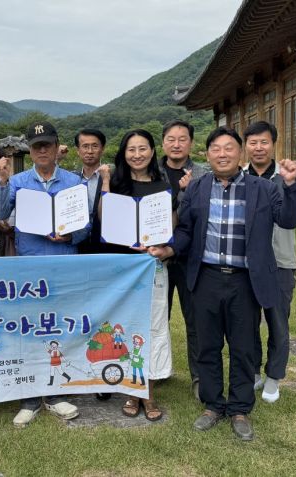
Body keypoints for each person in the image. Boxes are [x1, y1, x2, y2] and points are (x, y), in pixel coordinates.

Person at [160, 127, 296, 441]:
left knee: (242, 347)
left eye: (229, 148)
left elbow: (289, 220)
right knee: (208, 345)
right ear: (207, 154)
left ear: (241, 154)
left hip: (244, 280)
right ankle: (212, 404)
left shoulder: (262, 188)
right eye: (216, 148)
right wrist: (170, 248)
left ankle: (239, 408)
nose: (222, 154)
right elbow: (185, 230)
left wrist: (291, 186)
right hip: (206, 278)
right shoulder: (197, 188)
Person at [0, 120, 87, 427]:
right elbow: (0, 215)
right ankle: (30, 397)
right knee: (31, 329)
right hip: (30, 264)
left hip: (64, 262)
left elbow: (86, 227)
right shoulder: (19, 181)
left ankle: (58, 392)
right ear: (30, 151)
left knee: (59, 329)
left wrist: (70, 236)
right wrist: (3, 182)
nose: (42, 150)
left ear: (56, 147)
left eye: (47, 144)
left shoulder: (74, 181)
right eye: (36, 146)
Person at [98, 129, 174, 422]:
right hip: (124, 268)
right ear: (124, 154)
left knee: (153, 329)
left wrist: (164, 248)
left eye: (143, 148)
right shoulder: (116, 184)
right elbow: (104, 219)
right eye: (131, 149)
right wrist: (106, 181)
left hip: (152, 265)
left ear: (153, 152)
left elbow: (173, 226)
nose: (137, 154)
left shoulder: (162, 186)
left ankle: (148, 392)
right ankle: (132, 390)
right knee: (125, 328)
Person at [244, 121, 296, 404]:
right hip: (245, 262)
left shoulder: (288, 175)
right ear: (245, 146)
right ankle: (253, 372)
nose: (258, 148)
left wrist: (291, 187)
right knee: (246, 322)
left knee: (278, 322)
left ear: (273, 144)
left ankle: (273, 376)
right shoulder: (238, 177)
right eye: (253, 142)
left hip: (280, 261)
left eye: (264, 142)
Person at [159, 119, 206, 400]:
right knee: (156, 316)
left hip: (191, 258)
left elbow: (202, 216)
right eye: (171, 139)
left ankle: (199, 376)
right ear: (163, 142)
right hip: (156, 257)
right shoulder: (151, 171)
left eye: (183, 139)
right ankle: (157, 370)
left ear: (191, 142)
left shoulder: (203, 174)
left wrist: (189, 192)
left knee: (195, 320)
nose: (177, 144)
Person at [74, 128, 106, 254]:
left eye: (95, 146)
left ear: (102, 149)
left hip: (105, 245)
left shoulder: (113, 177)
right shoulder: (72, 179)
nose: (90, 151)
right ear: (78, 151)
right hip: (78, 244)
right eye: (85, 146)